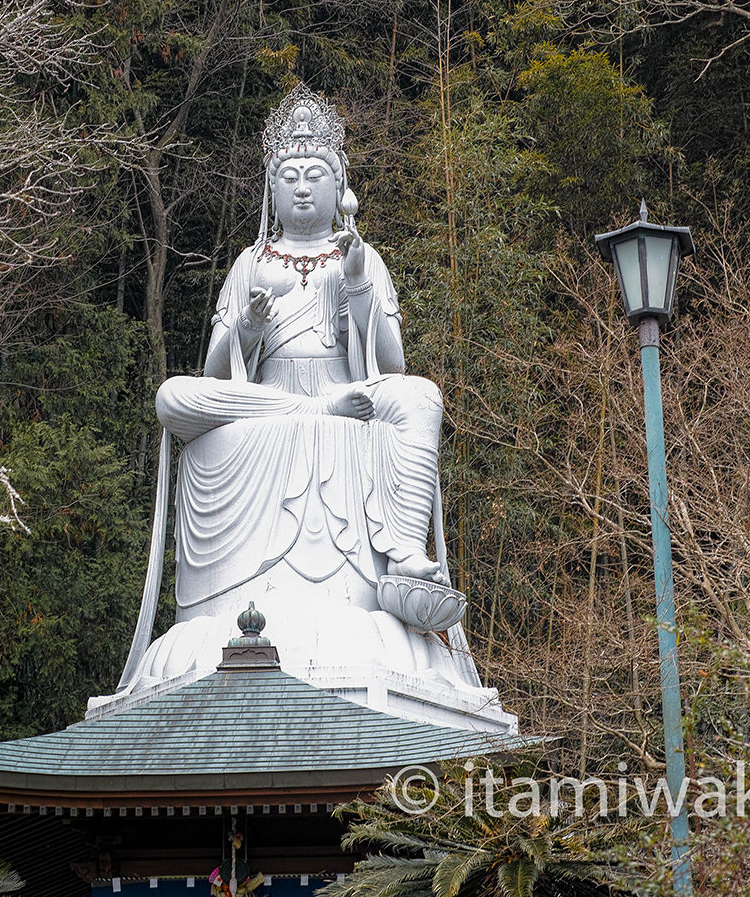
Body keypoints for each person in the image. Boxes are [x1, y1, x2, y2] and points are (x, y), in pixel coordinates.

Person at [115, 85, 480, 695]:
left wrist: (357, 283)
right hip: (266, 402)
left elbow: (392, 364)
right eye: (289, 177)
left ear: (340, 188)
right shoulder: (250, 262)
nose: (303, 188)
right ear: (271, 188)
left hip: (351, 394)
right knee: (172, 396)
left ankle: (403, 554)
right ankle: (312, 408)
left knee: (421, 396)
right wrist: (248, 325)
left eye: (316, 176)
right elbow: (212, 377)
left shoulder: (359, 256)